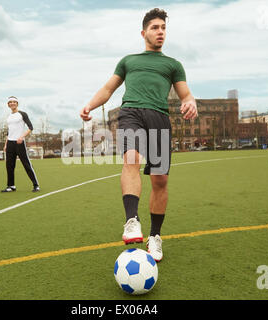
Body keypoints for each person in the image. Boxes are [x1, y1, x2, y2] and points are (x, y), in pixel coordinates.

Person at [80, 8, 198, 262]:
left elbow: (185, 94)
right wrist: (89, 105)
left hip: (159, 117)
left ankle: (154, 237)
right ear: (144, 32)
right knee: (131, 157)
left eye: (163, 28)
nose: (160, 32)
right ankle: (132, 221)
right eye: (155, 28)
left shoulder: (173, 65)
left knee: (160, 180)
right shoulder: (128, 61)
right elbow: (108, 88)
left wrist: (191, 102)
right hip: (131, 112)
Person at [1, 96, 40, 193]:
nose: (12, 103)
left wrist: (22, 137)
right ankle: (11, 186)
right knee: (9, 166)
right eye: (10, 102)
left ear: (17, 104)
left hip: (19, 143)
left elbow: (31, 127)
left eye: (14, 102)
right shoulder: (9, 117)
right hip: (10, 143)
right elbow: (9, 132)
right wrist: (6, 144)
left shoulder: (22, 114)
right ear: (8, 104)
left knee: (26, 164)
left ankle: (36, 185)